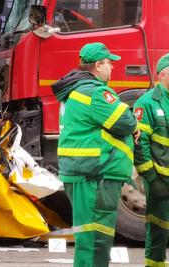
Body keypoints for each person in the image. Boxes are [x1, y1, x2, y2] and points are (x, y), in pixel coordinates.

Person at [52, 42, 138, 267]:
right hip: (93, 175)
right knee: (92, 241)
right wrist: (134, 127)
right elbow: (126, 122)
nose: (113, 68)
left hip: (89, 172)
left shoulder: (78, 91)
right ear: (98, 65)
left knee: (96, 238)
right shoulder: (96, 92)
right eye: (109, 63)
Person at [133, 53, 169, 267]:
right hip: (161, 181)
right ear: (163, 73)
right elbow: (140, 142)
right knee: (159, 230)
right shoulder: (147, 103)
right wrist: (150, 176)